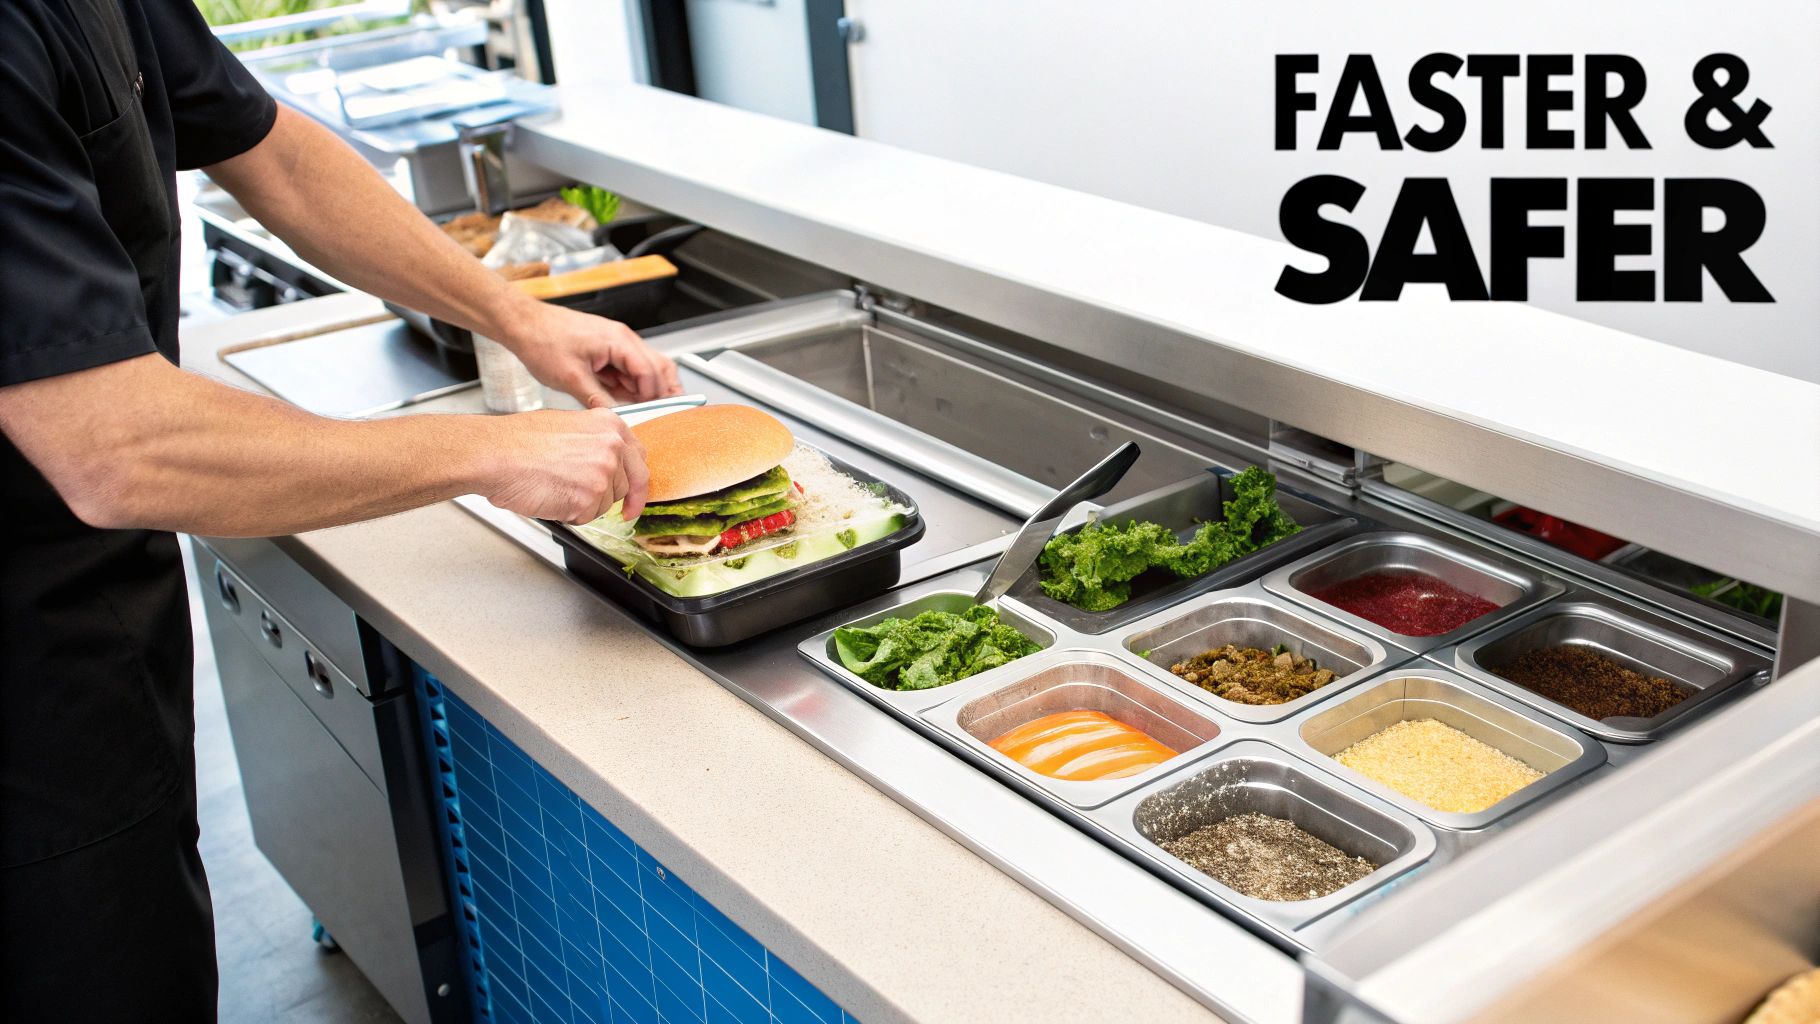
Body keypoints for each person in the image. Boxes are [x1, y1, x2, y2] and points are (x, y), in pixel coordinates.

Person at [0, 0, 681, 1017]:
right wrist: (489, 450)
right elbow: (112, 444)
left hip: (102, 630)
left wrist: (514, 315)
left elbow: (272, 152)